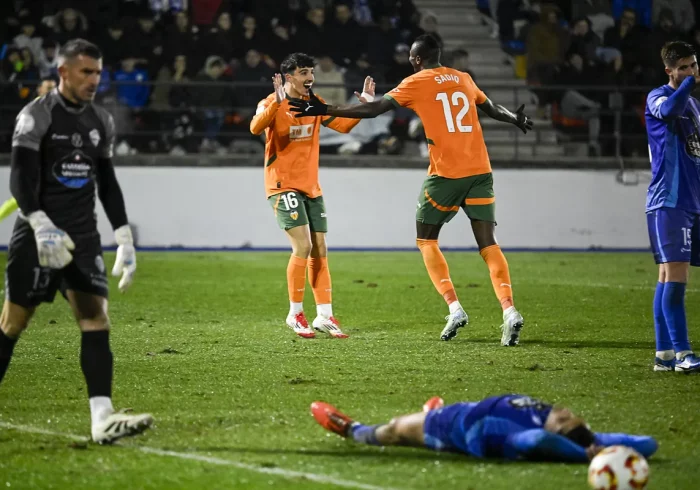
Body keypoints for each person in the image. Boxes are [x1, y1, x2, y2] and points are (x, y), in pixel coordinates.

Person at [289, 35, 533, 345]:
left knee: (426, 239)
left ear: (416, 60)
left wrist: (322, 109)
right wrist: (516, 118)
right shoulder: (463, 78)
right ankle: (509, 310)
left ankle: (455, 307)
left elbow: (374, 110)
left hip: (446, 174)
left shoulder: (417, 81)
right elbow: (491, 108)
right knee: (488, 242)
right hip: (481, 171)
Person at [0, 39, 152, 443]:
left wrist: (123, 236)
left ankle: (102, 419)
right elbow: (20, 178)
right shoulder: (37, 116)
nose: (94, 80)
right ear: (63, 72)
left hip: (82, 237)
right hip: (39, 235)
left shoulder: (101, 120)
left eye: (98, 72)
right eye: (86, 72)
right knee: (13, 324)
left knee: (96, 318)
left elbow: (107, 181)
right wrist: (38, 222)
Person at [250, 53, 375, 339]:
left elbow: (342, 126)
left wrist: (364, 106)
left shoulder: (313, 104)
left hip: (311, 186)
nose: (310, 77)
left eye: (311, 72)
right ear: (289, 77)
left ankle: (324, 315)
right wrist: (277, 104)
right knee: (303, 246)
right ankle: (294, 313)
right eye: (304, 72)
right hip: (282, 185)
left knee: (320, 248)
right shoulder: (271, 103)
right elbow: (255, 127)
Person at [310, 394, 658, 462]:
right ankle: (433, 410)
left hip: (452, 427)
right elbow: (647, 442)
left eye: (564, 420)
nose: (563, 411)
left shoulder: (530, 435)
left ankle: (353, 429)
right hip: (467, 411)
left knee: (394, 430)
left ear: (560, 434)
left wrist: (584, 455)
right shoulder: (550, 419)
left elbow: (538, 440)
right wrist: (601, 445)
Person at [645, 41, 700, 373]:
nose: (691, 72)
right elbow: (668, 112)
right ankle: (683, 354)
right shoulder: (658, 96)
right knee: (675, 276)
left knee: (668, 276)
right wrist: (689, 84)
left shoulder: (694, 106)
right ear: (669, 71)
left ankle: (664, 355)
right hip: (668, 199)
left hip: (689, 201)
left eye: (693, 65)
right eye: (683, 68)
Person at [0, 78, 58, 223]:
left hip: (50, 159)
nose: (52, 91)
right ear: (40, 89)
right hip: (35, 157)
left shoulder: (56, 108)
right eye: (48, 88)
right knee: (24, 196)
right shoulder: (35, 108)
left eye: (54, 88)